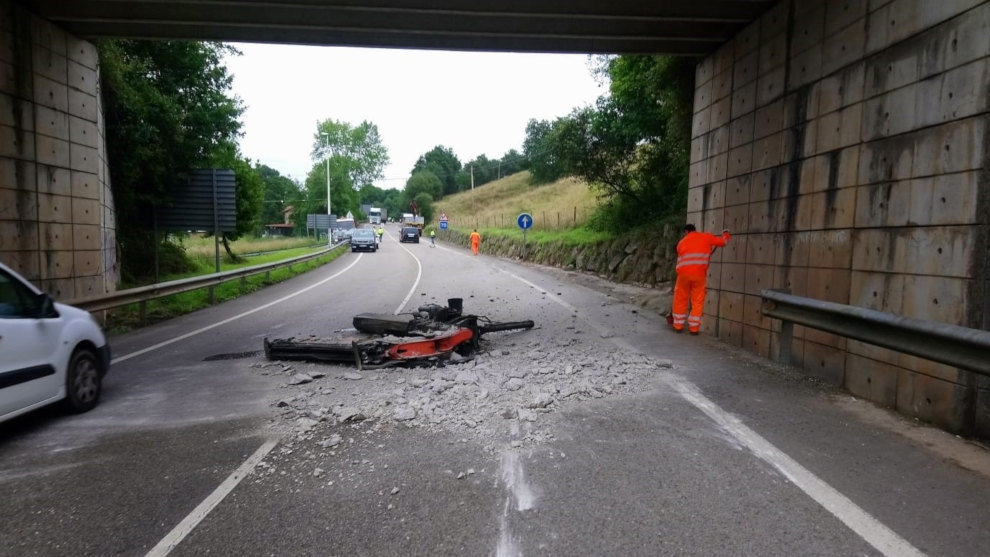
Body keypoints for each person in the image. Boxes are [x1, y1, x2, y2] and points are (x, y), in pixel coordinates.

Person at [672, 224, 730, 335]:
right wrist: (726, 234)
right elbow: (723, 242)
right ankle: (694, 329)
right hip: (699, 275)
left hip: (683, 275)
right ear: (694, 230)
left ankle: (678, 326)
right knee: (697, 300)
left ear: (686, 232)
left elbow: (680, 258)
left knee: (680, 299)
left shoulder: (681, 243)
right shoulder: (706, 237)